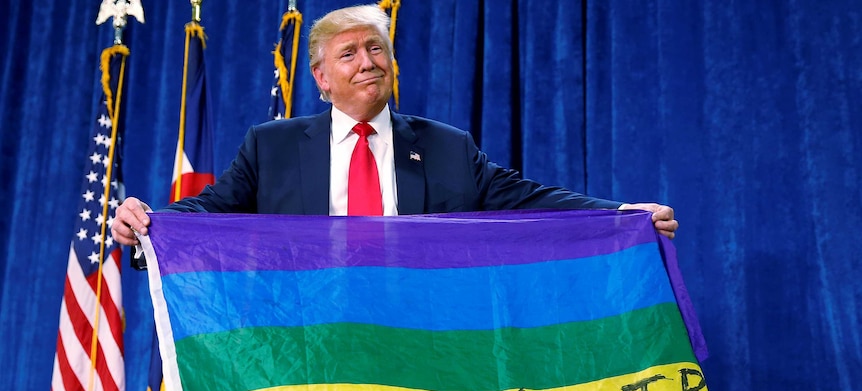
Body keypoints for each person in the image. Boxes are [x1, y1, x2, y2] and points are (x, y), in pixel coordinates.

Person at [111, 4, 678, 247]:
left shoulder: (446, 148)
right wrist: (148, 222)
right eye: (350, 53)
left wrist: (622, 217)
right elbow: (212, 210)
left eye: (376, 48)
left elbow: (530, 199)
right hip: (311, 347)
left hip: (414, 349)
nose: (368, 62)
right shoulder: (272, 147)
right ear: (321, 78)